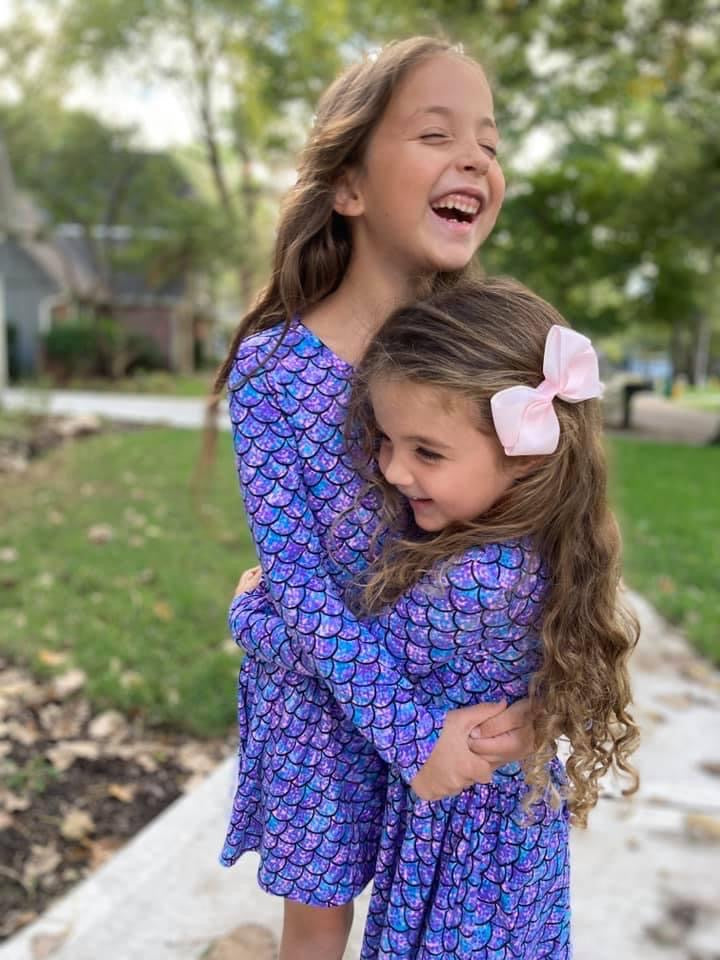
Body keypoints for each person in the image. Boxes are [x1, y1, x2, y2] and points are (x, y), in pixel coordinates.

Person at [213, 36, 535, 960]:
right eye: (436, 134)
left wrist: (549, 694)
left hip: (457, 692)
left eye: (490, 141)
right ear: (348, 187)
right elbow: (305, 588)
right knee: (317, 922)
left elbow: (543, 542)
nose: (476, 157)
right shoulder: (274, 375)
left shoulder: (485, 360)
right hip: (323, 710)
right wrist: (404, 732)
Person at [238, 276, 640, 958]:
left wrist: (248, 610)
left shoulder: (479, 579)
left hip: (466, 848)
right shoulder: (538, 543)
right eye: (387, 441)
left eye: (426, 450)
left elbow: (348, 652)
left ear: (523, 454)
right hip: (497, 837)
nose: (392, 470)